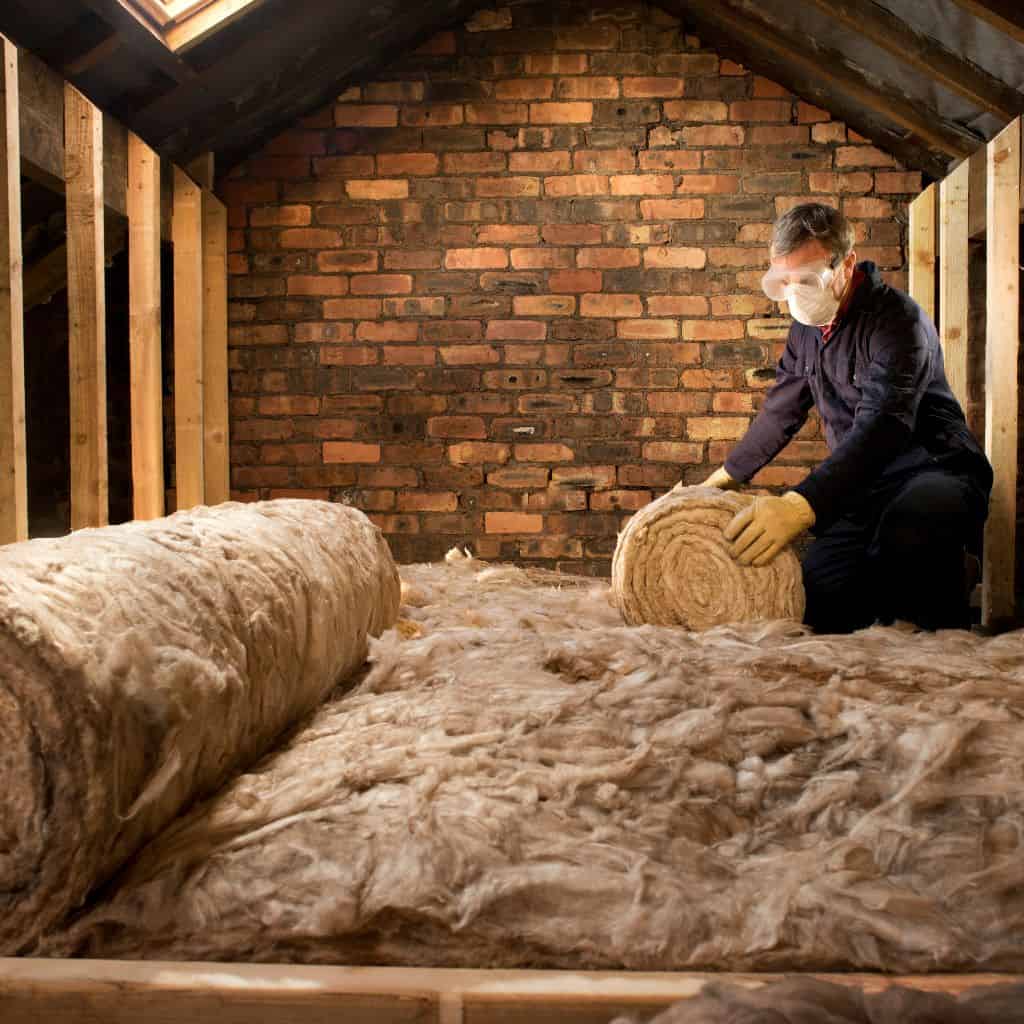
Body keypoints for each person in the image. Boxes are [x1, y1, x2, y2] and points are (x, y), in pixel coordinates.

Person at [699, 202, 992, 633]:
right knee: (820, 600)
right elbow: (782, 409)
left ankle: (949, 578)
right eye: (784, 281)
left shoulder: (898, 322)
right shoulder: (805, 328)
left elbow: (883, 428)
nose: (796, 293)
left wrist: (800, 506)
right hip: (861, 487)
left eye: (809, 278)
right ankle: (921, 577)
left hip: (933, 470)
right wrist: (724, 477)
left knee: (911, 536)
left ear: (846, 264)